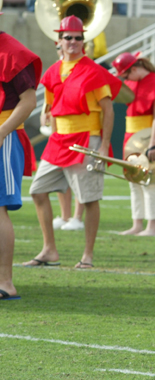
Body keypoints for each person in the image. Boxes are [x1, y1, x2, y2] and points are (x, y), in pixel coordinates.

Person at [24, 16, 122, 269]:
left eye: (78, 38)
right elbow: (51, 107)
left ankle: (87, 256)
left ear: (83, 41)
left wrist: (103, 145)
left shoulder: (94, 70)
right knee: (37, 190)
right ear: (60, 40)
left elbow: (108, 111)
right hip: (59, 141)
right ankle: (49, 250)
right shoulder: (53, 70)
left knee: (89, 200)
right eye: (68, 37)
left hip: (87, 139)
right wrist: (52, 128)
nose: (73, 42)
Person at [0, 32, 41, 300]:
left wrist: (2, 132)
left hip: (3, 136)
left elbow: (29, 100)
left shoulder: (11, 50)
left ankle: (5, 282)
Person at [111, 52, 155, 236]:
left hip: (146, 136)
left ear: (133, 69)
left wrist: (153, 143)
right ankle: (137, 224)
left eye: (126, 75)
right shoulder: (131, 81)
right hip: (130, 135)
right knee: (133, 180)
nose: (125, 79)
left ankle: (152, 227)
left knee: (148, 181)